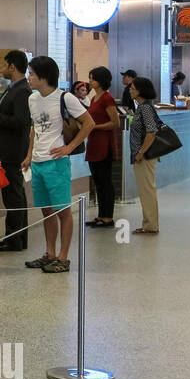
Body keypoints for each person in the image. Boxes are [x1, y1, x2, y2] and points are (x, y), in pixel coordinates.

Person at [22, 56, 92, 274]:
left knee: (62, 210)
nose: (29, 78)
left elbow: (90, 123)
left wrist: (69, 147)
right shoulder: (32, 99)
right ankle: (49, 253)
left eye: (31, 73)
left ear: (43, 76)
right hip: (38, 162)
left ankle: (63, 257)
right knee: (46, 211)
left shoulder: (65, 98)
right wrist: (28, 154)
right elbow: (35, 128)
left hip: (57, 163)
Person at [0, 49, 32, 251]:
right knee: (15, 194)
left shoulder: (22, 90)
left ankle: (14, 239)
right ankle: (15, 237)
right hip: (10, 150)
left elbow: (21, 121)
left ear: (12, 67)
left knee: (13, 196)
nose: (1, 69)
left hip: (13, 151)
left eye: (4, 65)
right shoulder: (14, 88)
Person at [83, 67, 120, 227]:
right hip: (94, 142)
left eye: (93, 78)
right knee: (97, 180)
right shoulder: (93, 99)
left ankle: (108, 216)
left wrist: (95, 127)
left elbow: (115, 122)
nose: (90, 81)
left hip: (104, 144)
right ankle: (101, 214)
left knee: (105, 180)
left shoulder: (107, 98)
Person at [127, 77, 163, 235]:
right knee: (146, 189)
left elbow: (151, 132)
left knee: (147, 189)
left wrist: (140, 152)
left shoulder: (145, 108)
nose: (130, 90)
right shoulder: (142, 107)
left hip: (145, 155)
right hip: (143, 154)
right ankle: (148, 223)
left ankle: (150, 225)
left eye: (133, 88)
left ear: (141, 90)